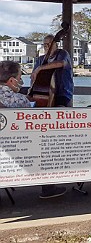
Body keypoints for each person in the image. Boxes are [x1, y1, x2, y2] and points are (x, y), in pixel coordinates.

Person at [0, 60, 67, 199]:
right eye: (19, 78)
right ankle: (48, 188)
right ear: (11, 81)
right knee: (45, 145)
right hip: (17, 149)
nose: (21, 81)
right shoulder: (20, 101)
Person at [32, 34, 74, 107]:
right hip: (43, 94)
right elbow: (33, 76)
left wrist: (40, 68)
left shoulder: (62, 54)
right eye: (45, 44)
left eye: (50, 44)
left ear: (56, 44)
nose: (47, 46)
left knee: (60, 110)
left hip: (62, 93)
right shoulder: (40, 60)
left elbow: (60, 63)